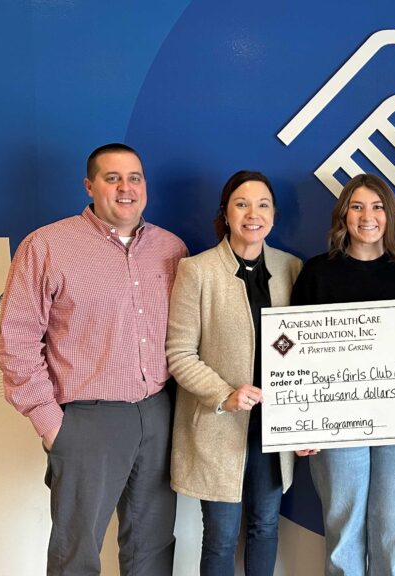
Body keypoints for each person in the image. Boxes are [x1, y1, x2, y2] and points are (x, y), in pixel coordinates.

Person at [0, 143, 187, 575]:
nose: (126, 188)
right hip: (87, 420)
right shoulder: (46, 246)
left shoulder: (172, 249)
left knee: (153, 547)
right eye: (112, 178)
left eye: (135, 178)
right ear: (89, 185)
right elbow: (17, 340)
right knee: (76, 553)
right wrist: (51, 425)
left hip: (159, 412)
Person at [291, 173, 395, 576]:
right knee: (344, 531)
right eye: (357, 206)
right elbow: (293, 356)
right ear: (343, 215)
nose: (367, 216)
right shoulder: (317, 274)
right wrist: (300, 423)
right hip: (336, 424)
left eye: (376, 207)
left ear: (389, 216)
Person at [165, 171, 301, 575]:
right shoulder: (197, 271)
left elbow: (303, 345)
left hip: (273, 430)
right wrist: (224, 393)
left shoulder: (291, 267)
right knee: (221, 537)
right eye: (241, 204)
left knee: (265, 526)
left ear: (274, 214)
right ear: (225, 213)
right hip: (220, 424)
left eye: (262, 204)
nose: (252, 213)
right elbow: (179, 353)